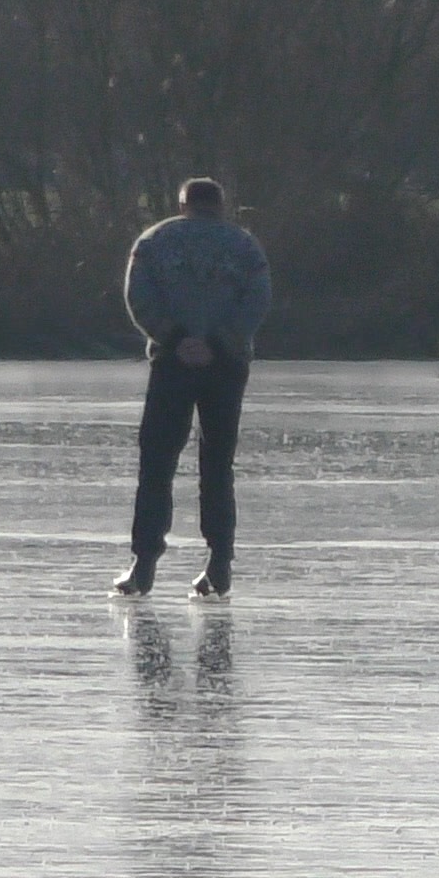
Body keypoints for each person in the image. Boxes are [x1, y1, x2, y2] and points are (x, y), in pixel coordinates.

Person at [114, 177, 272, 598]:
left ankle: (143, 564)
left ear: (182, 203)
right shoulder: (245, 246)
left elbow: (138, 296)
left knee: (156, 464)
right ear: (221, 205)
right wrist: (219, 341)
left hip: (172, 361)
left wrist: (176, 337)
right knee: (218, 465)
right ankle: (219, 565)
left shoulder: (154, 240)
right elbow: (257, 299)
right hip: (227, 363)